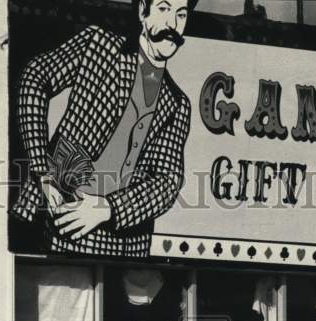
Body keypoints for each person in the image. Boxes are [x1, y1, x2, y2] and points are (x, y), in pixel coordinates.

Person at [11, 0, 195, 258]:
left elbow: (167, 181)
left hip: (125, 244)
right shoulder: (99, 45)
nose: (172, 24)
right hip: (58, 217)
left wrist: (107, 208)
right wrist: (42, 171)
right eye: (164, 9)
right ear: (143, 10)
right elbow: (34, 78)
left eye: (181, 14)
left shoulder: (177, 103)